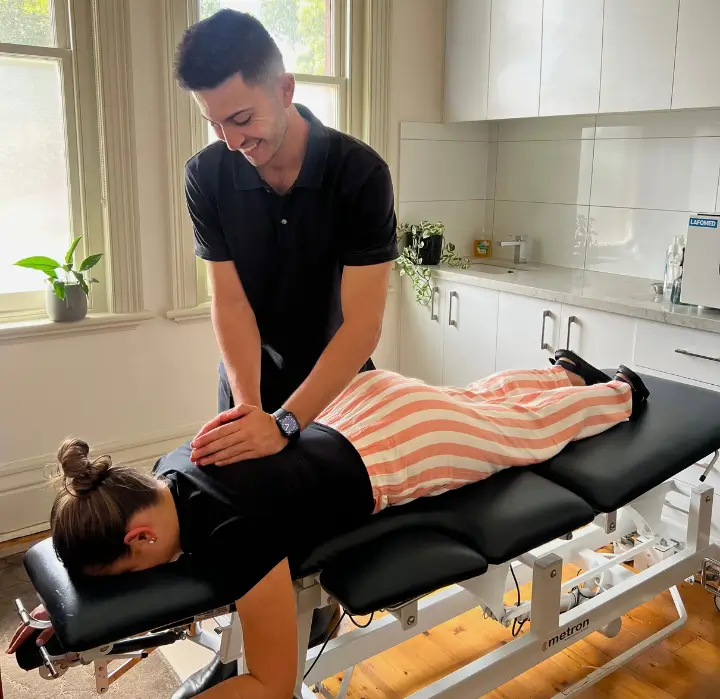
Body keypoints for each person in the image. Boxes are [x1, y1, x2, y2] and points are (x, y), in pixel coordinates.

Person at [7, 352, 650, 699]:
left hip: (402, 447)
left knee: (525, 432)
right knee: (476, 400)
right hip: (359, 404)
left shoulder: (234, 535)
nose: (143, 575)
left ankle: (619, 392)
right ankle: (560, 370)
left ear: (139, 536)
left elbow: (271, 683)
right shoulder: (173, 464)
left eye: (132, 568)